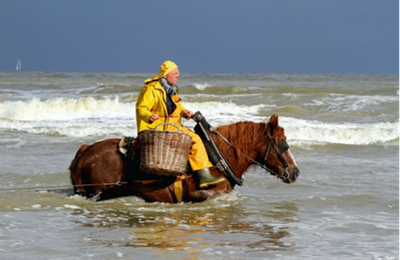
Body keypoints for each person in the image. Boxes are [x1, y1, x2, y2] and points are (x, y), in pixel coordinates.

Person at [136, 60, 225, 189]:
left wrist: (184, 112)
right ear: (165, 75)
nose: (178, 76)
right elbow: (141, 108)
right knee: (195, 140)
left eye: (178, 74)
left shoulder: (171, 90)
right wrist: (149, 116)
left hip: (173, 125)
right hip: (158, 126)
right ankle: (203, 176)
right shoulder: (151, 89)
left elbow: (176, 106)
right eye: (175, 73)